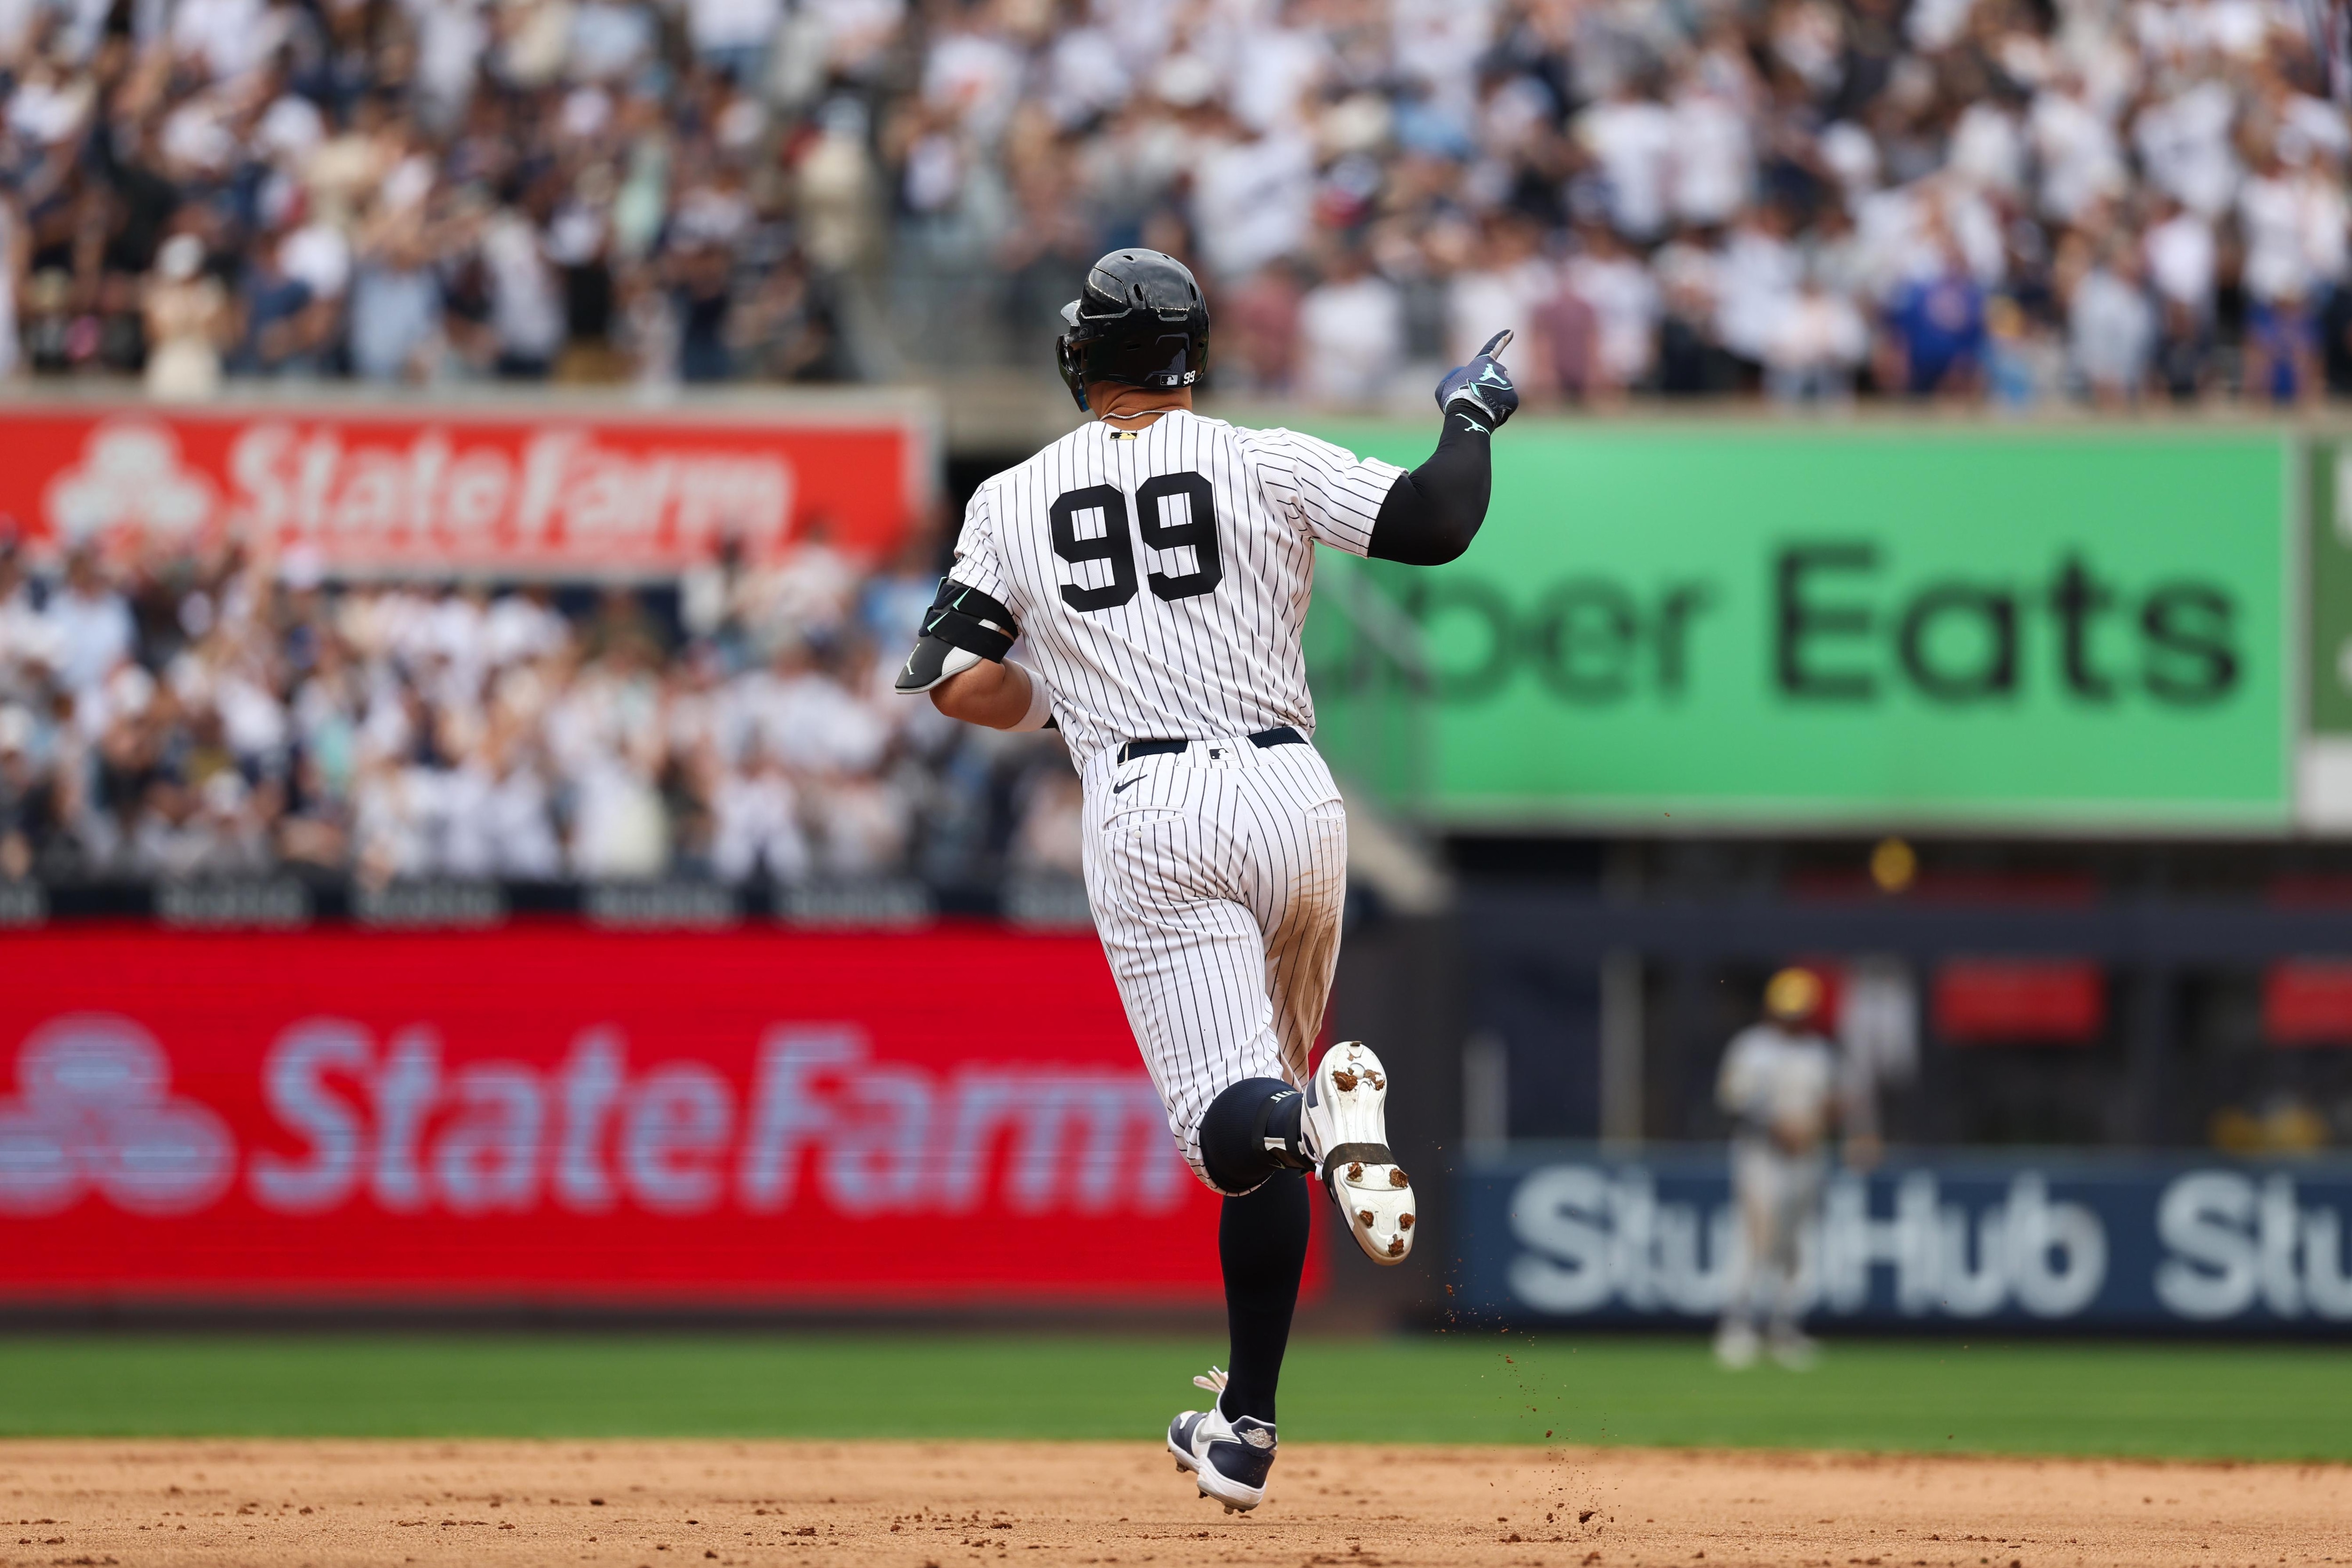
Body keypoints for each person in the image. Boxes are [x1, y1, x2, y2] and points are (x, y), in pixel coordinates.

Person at [897, 248, 1517, 1513]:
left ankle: (1317, 1125)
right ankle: (1245, 1425)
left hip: (1154, 805)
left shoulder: (1011, 497)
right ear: (1192, 356)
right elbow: (1437, 522)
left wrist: (1059, 699)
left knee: (1234, 1130)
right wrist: (1469, 412)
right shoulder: (1262, 456)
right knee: (1264, 1115)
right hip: (1296, 795)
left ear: (1084, 356)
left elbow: (955, 678)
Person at [1713, 965, 1862, 1371]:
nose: (1793, 1018)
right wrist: (1776, 1127)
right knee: (1755, 1237)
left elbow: (1838, 1101)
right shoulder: (1752, 1047)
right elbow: (1732, 1101)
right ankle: (1737, 1324)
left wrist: (1823, 1120)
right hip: (1761, 1153)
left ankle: (1784, 1325)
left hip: (1807, 1155)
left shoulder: (1819, 1051)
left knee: (1796, 1243)